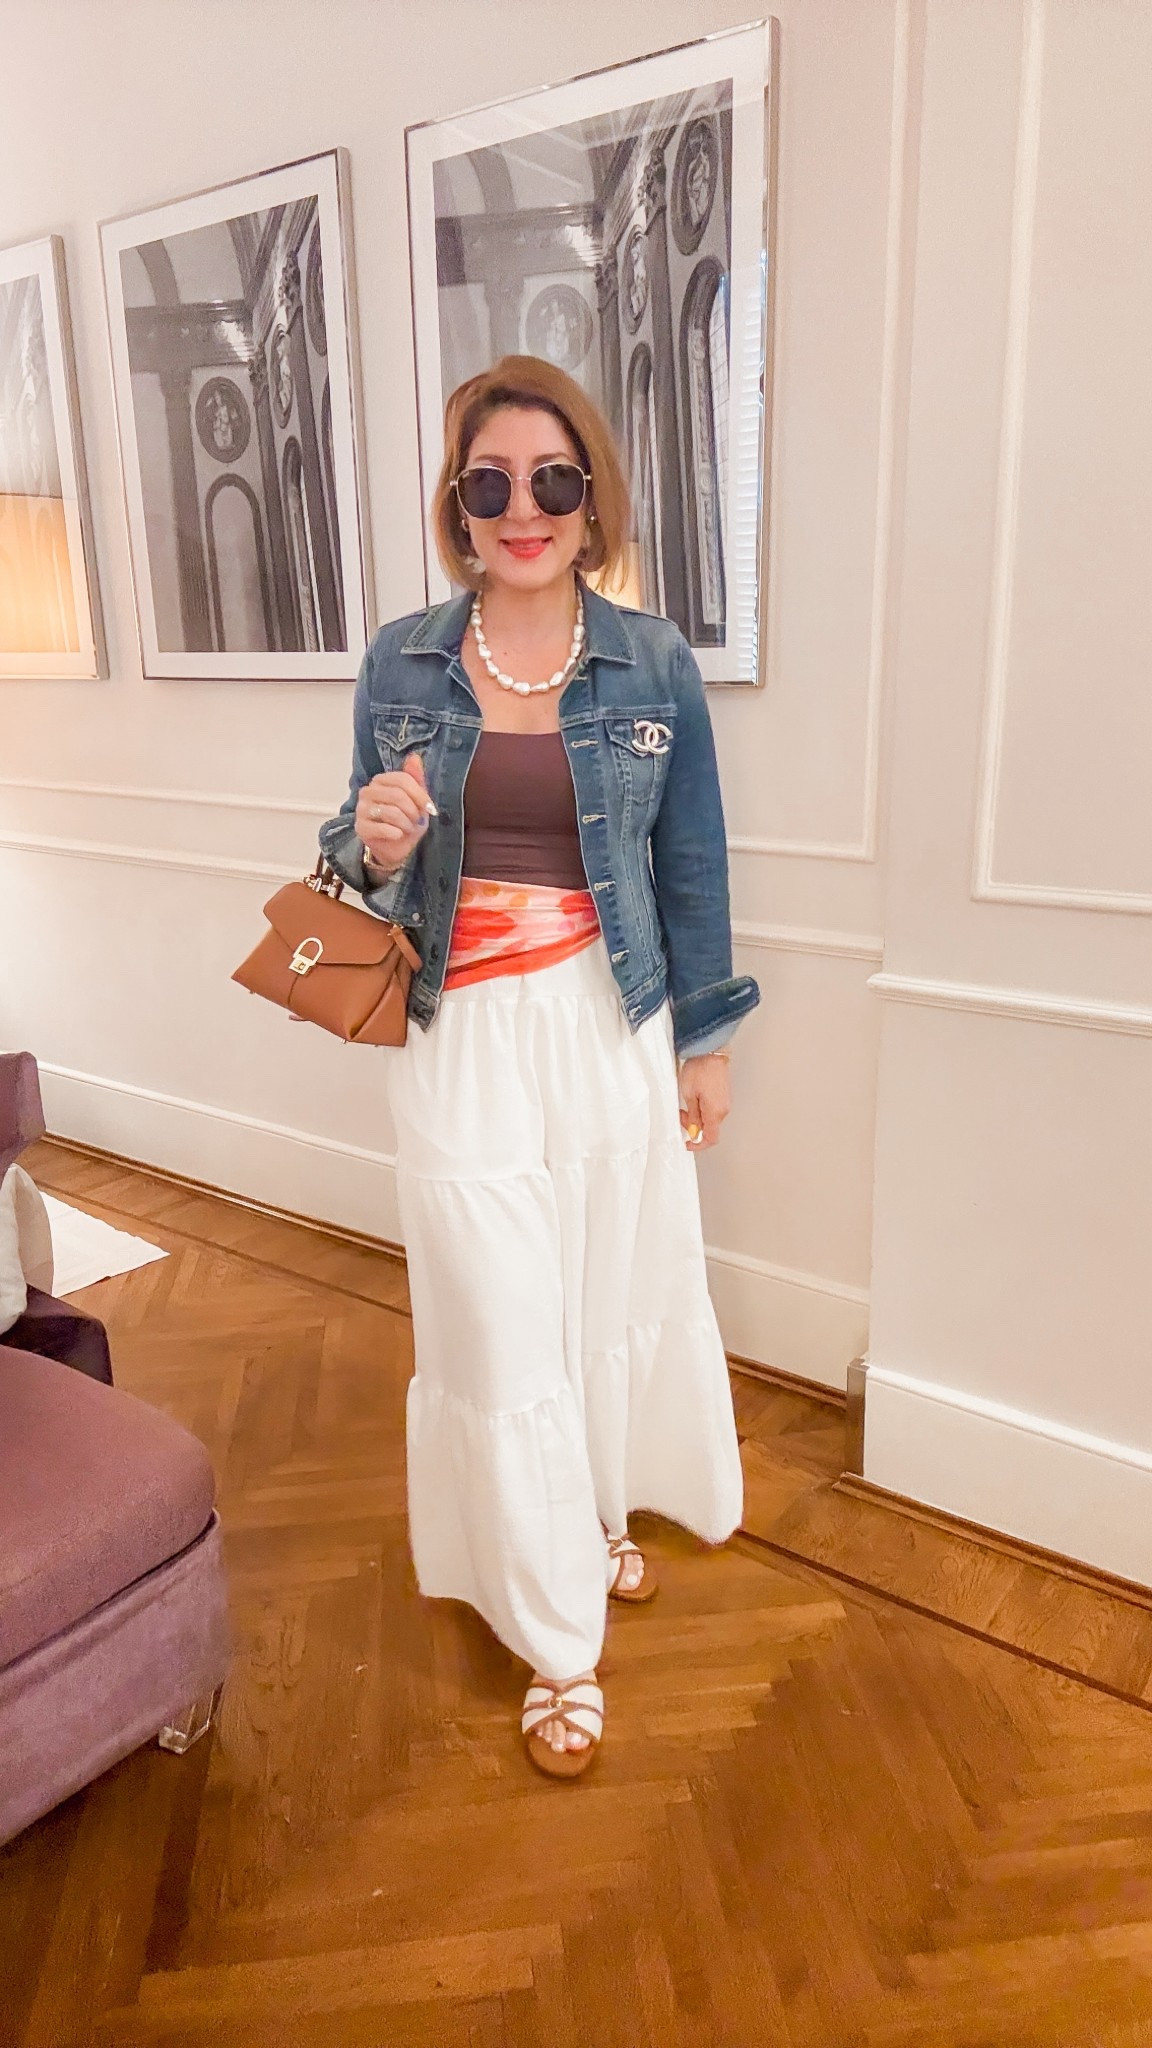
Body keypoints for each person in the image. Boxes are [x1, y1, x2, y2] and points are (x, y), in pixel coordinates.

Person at [319, 355, 759, 1779]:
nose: (525, 508)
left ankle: (598, 1514)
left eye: (553, 480)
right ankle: (560, 1639)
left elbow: (691, 862)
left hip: (608, 1020)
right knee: (498, 1321)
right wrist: (372, 840)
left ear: (590, 500)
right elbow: (350, 858)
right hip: (459, 1034)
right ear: (459, 504)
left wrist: (705, 1044)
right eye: (492, 482)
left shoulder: (652, 660)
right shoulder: (400, 661)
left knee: (602, 1289)